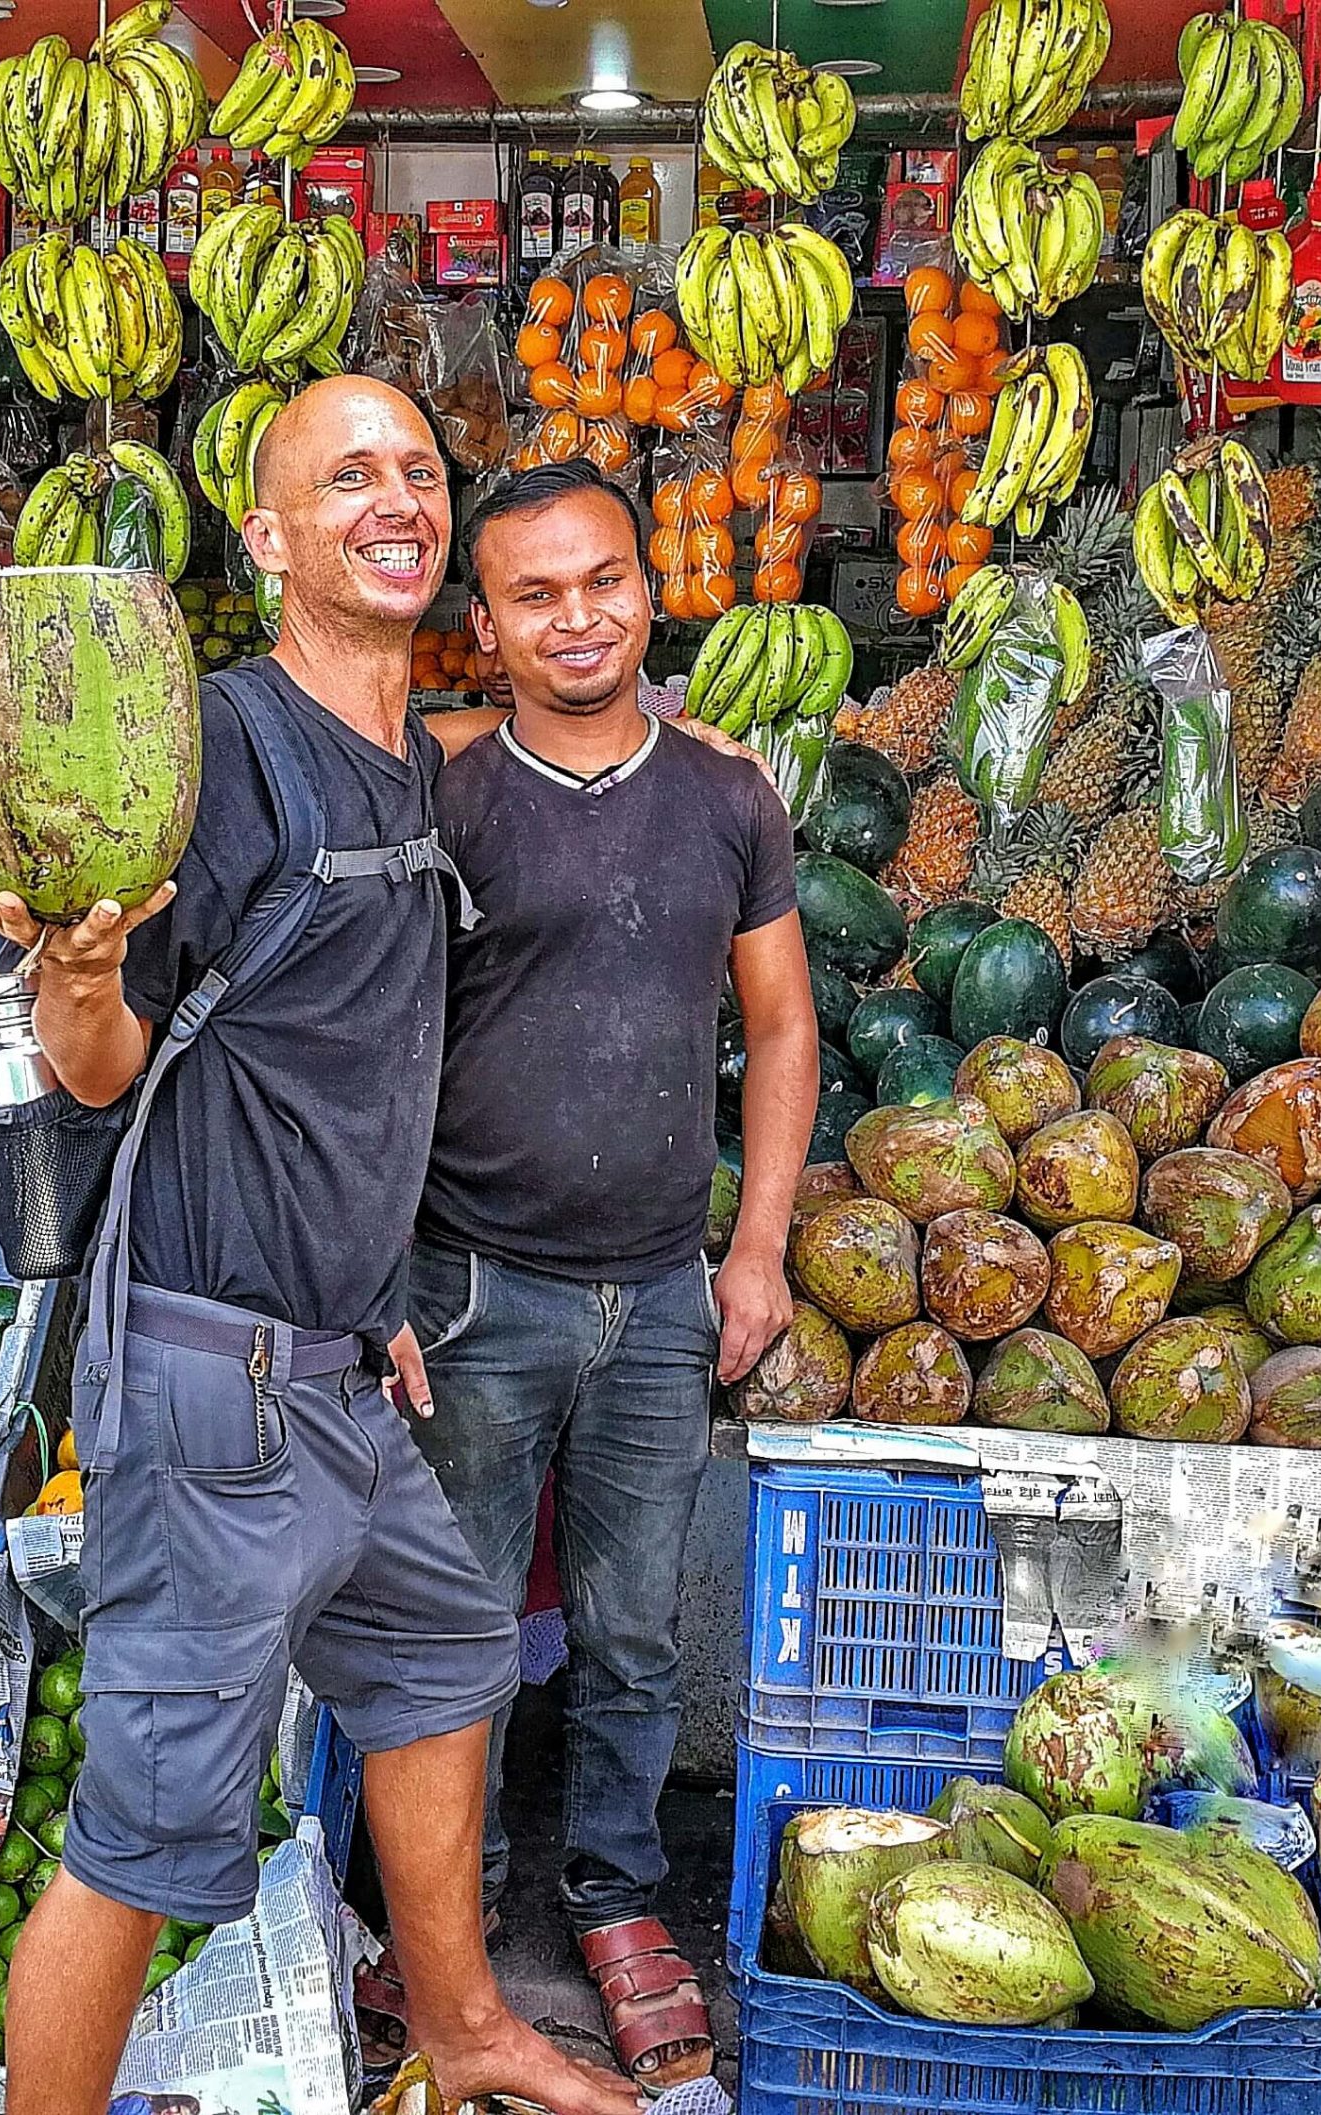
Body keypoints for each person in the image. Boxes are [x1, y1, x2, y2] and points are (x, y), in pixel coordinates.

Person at [0, 377, 634, 2115]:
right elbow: (106, 1068)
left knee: (439, 1665)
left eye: (418, 471)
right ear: (268, 539)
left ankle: (466, 2022)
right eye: (347, 479)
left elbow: (342, 1064)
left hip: (338, 1365)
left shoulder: (411, 748)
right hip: (211, 1388)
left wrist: (381, 1288)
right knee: (145, 1834)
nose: (395, 497)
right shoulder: (221, 752)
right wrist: (83, 978)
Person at [407, 460, 819, 2089]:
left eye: (603, 584)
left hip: (657, 1294)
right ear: (486, 624)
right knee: (449, 1635)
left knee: (634, 1631)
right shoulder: (447, 800)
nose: (575, 618)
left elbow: (780, 1025)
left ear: (651, 594)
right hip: (474, 1287)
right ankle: (451, 1924)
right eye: (534, 594)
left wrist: (761, 1245)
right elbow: (380, 1042)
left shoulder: (726, 798)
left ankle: (613, 1896)